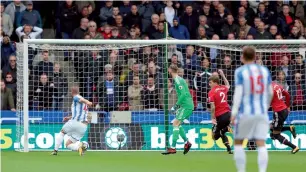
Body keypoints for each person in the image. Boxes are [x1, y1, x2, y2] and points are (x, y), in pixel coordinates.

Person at [231, 46, 273, 172]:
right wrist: (265, 106)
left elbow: (238, 94)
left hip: (245, 113)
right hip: (262, 112)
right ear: (255, 57)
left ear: (242, 57)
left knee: (238, 142)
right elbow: (270, 92)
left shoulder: (240, 71)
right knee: (261, 143)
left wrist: (233, 113)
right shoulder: (265, 71)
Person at [161, 65, 193, 155]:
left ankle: (173, 148)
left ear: (170, 70)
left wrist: (175, 106)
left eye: (168, 70)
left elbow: (183, 94)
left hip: (186, 105)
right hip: (184, 105)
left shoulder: (178, 80)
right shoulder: (178, 79)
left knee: (175, 123)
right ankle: (187, 142)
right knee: (177, 124)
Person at [51, 86, 92, 156]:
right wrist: (69, 117)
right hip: (83, 126)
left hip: (75, 122)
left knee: (62, 132)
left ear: (72, 92)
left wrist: (87, 102)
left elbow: (78, 98)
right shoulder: (82, 103)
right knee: (68, 144)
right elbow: (80, 113)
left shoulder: (76, 97)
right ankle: (80, 146)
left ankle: (55, 150)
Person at [208, 69, 233, 154]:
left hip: (220, 116)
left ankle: (227, 128)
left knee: (214, 136)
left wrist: (212, 118)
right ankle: (229, 148)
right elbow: (228, 85)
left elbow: (213, 108)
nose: (209, 84)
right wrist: (222, 75)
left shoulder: (211, 92)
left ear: (215, 82)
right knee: (222, 132)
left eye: (210, 82)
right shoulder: (223, 88)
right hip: (229, 115)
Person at [270, 82, 299, 153]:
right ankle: (290, 128)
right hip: (284, 110)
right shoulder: (275, 85)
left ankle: (295, 147)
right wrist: (288, 106)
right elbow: (287, 94)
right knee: (271, 127)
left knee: (275, 135)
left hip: (278, 113)